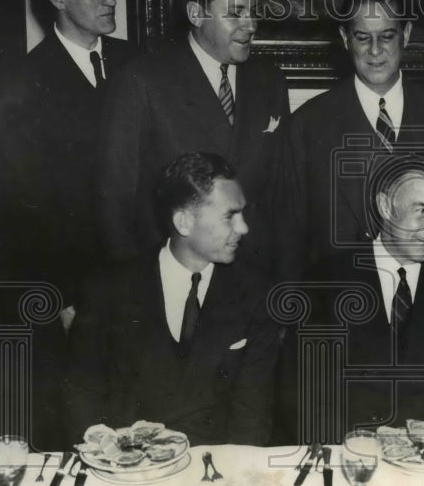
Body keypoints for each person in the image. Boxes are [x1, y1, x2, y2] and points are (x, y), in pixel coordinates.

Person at [64, 152, 281, 446]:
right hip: (130, 472)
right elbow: (82, 388)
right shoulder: (109, 289)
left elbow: (252, 416)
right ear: (184, 223)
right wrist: (101, 442)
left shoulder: (257, 294)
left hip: (214, 468)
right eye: (230, 216)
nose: (243, 228)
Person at [275, 154, 424, 445]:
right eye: (422, 211)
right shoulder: (322, 282)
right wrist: (356, 451)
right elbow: (302, 394)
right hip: (350, 454)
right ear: (385, 207)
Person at [97, 0, 289, 269]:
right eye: (235, 13)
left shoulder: (271, 80)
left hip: (251, 277)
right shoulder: (142, 81)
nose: (251, 25)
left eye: (253, 11)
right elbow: (114, 201)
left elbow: (281, 194)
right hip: (172, 273)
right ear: (196, 14)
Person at [275, 0, 424, 280]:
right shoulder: (308, 124)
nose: (375, 51)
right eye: (363, 37)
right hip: (337, 303)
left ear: (407, 34)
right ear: (345, 38)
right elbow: (289, 238)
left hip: (423, 301)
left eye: (387, 36)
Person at [0, 0, 138, 325]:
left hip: (145, 274)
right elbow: (27, 211)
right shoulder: (25, 83)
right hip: (79, 289)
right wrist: (62, 298)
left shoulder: (140, 62)